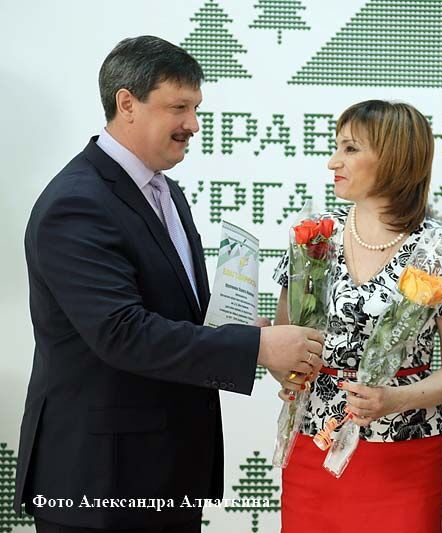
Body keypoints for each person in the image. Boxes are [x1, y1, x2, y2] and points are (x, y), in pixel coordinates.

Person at [15, 36, 324, 533]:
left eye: (196, 107)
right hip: (100, 482)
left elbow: (173, 314)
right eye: (179, 107)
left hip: (166, 470)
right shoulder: (77, 203)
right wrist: (258, 348)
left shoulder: (167, 192)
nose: (193, 124)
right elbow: (121, 332)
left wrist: (243, 331)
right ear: (126, 104)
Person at [273, 100, 442, 533]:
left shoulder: (441, 249)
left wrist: (395, 400)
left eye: (350, 149)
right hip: (314, 443)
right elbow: (285, 343)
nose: (333, 161)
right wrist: (283, 368)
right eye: (336, 147)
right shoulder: (314, 237)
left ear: (394, 158)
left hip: (404, 451)